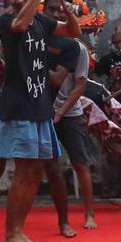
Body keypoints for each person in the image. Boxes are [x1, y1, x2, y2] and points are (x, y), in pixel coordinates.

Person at [0, 0, 81, 242]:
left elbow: (74, 32)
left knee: (36, 170)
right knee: (24, 169)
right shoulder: (8, 20)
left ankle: (18, 231)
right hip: (19, 105)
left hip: (40, 107)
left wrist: (67, 8)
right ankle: (11, 235)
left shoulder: (42, 21)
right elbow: (20, 24)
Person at [47, 19, 97, 230]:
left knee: (80, 163)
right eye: (52, 12)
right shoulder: (40, 41)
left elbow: (80, 85)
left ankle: (89, 213)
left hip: (70, 113)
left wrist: (61, 112)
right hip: (43, 112)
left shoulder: (78, 49)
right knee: (45, 166)